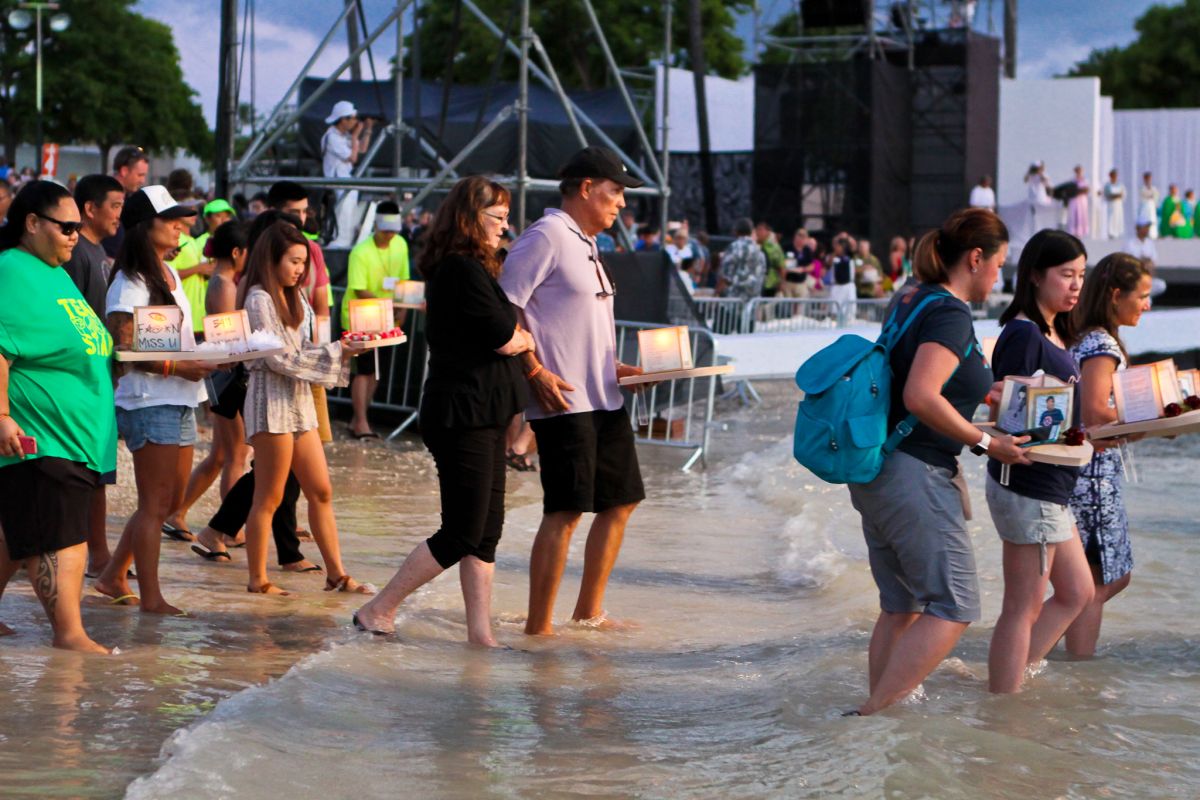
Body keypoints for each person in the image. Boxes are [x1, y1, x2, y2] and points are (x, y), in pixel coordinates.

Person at [845, 208, 1030, 715]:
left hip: (878, 468)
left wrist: (979, 391)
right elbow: (923, 395)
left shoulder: (911, 293)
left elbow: (917, 377)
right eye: (999, 264)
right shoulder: (949, 312)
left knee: (901, 604)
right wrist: (988, 443)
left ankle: (877, 722)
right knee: (955, 606)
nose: (999, 277)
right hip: (916, 474)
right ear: (975, 258)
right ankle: (871, 714)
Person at [352, 176, 532, 642]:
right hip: (461, 412)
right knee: (461, 530)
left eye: (506, 217)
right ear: (471, 218)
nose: (505, 227)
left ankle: (481, 634)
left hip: (486, 409)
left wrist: (519, 339)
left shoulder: (479, 267)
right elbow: (505, 335)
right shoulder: (460, 269)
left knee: (487, 529)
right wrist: (524, 339)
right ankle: (379, 607)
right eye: (497, 217)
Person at [499, 146, 647, 636]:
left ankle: (589, 611)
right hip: (564, 399)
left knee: (621, 500)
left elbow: (579, 322)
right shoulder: (546, 236)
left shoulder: (586, 242)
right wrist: (534, 370)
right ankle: (538, 628)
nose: (622, 203)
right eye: (616, 191)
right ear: (587, 188)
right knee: (564, 511)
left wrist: (620, 366)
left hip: (605, 395)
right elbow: (502, 310)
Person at [0, 181, 115, 653]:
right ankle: (69, 635)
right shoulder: (12, 270)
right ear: (32, 224)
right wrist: (3, 415)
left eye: (77, 227)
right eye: (66, 227)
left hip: (77, 436)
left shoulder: (54, 270)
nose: (75, 235)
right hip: (43, 437)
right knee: (64, 538)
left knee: (14, 534)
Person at [94, 186, 214, 615]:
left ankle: (111, 577)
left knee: (167, 501)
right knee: (155, 504)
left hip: (180, 396)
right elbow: (124, 350)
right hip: (149, 400)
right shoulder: (130, 281)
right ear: (147, 228)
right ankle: (151, 598)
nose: (182, 226)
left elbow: (168, 339)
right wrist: (179, 367)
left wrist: (208, 351)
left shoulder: (171, 274)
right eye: (172, 220)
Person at [985, 228, 1094, 693]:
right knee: (1023, 604)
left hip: (1049, 486)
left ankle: (1014, 676)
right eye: (1066, 274)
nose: (1075, 285)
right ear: (1034, 275)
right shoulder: (1025, 333)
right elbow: (1005, 411)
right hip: (1027, 483)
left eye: (1082, 276)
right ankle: (1003, 705)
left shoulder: (1050, 330)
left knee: (1077, 592)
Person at [239, 222, 371, 596]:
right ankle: (257, 580)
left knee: (322, 490)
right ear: (272, 259)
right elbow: (281, 359)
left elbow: (300, 353)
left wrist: (344, 346)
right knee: (269, 496)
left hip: (298, 401)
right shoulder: (259, 298)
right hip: (272, 402)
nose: (300, 270)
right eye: (294, 261)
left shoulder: (292, 297)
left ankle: (337, 574)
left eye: (303, 263)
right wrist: (338, 352)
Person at [1064, 253, 1153, 657]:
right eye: (1143, 296)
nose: (1147, 305)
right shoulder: (1102, 342)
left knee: (1092, 580)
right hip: (1093, 477)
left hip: (1082, 471)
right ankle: (1078, 667)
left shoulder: (1084, 335)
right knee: (1100, 580)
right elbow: (1097, 413)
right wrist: (1152, 417)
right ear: (1116, 295)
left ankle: (1055, 660)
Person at [164, 220, 252, 546]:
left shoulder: (222, 281)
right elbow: (228, 338)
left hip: (223, 376)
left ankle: (177, 512)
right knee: (235, 457)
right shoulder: (224, 284)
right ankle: (230, 528)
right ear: (237, 252)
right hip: (227, 377)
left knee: (220, 455)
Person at [61, 174, 124, 576]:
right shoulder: (78, 255)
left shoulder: (96, 253)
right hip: (82, 382)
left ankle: (97, 555)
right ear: (90, 209)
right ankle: (91, 556)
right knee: (86, 476)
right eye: (115, 205)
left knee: (98, 473)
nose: (120, 214)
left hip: (98, 379)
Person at [340, 200, 410, 439]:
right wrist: (391, 307)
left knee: (377, 372)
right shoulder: (361, 252)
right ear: (377, 226)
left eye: (393, 230)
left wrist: (403, 310)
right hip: (360, 318)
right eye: (385, 230)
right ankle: (360, 421)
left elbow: (403, 282)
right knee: (365, 370)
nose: (390, 235)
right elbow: (359, 289)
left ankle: (358, 418)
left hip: (388, 318)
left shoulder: (400, 244)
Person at [168, 198, 236, 337]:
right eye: (187, 211)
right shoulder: (178, 240)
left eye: (195, 211)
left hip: (201, 315)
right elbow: (168, 274)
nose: (193, 214)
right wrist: (198, 269)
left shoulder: (191, 240)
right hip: (186, 315)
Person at [101, 146, 150, 258]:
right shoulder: (102, 196)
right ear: (124, 171)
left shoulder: (131, 200)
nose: (143, 181)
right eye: (140, 175)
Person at [320, 100, 374, 180]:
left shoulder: (344, 135)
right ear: (343, 120)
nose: (356, 121)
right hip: (336, 180)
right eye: (354, 118)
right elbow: (353, 158)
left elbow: (362, 149)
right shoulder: (332, 137)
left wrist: (368, 129)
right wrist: (355, 136)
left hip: (344, 177)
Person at [718, 218, 766, 301]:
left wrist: (717, 292)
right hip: (753, 301)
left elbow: (725, 275)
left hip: (734, 301)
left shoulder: (733, 248)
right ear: (751, 231)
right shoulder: (760, 252)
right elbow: (763, 274)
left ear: (736, 231)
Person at [828, 235, 858, 324]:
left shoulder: (850, 257)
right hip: (837, 287)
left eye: (838, 246)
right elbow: (828, 263)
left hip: (848, 286)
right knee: (834, 311)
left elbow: (853, 247)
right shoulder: (834, 258)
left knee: (849, 312)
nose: (836, 248)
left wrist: (847, 238)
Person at [755, 221, 785, 298]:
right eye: (757, 229)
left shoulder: (774, 248)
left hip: (769, 284)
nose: (758, 232)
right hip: (754, 283)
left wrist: (781, 284)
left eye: (761, 230)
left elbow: (781, 267)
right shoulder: (752, 245)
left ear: (768, 232)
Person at [1101, 169, 1125, 240]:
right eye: (1113, 175)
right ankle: (1111, 233)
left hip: (1118, 204)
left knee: (1118, 217)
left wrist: (1118, 196)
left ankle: (1117, 232)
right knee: (1111, 218)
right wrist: (1113, 196)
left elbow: (1123, 194)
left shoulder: (1120, 185)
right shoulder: (1107, 185)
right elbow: (1106, 195)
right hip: (1111, 204)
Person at [1067, 166, 1090, 239]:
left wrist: (1079, 191)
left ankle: (1081, 231)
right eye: (1077, 170)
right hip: (1074, 200)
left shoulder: (1085, 180)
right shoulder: (1072, 180)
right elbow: (1071, 190)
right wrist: (1079, 191)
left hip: (1082, 200)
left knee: (1082, 215)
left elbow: (1086, 190)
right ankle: (1074, 232)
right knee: (1074, 215)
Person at [1138, 172, 1160, 240]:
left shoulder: (1153, 187)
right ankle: (1144, 233)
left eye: (1149, 178)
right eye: (1147, 178)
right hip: (1145, 206)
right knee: (1145, 220)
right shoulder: (1142, 188)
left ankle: (1153, 234)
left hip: (1151, 205)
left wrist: (1154, 201)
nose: (1148, 180)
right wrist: (1149, 195)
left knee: (1152, 219)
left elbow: (1156, 195)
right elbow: (1142, 196)